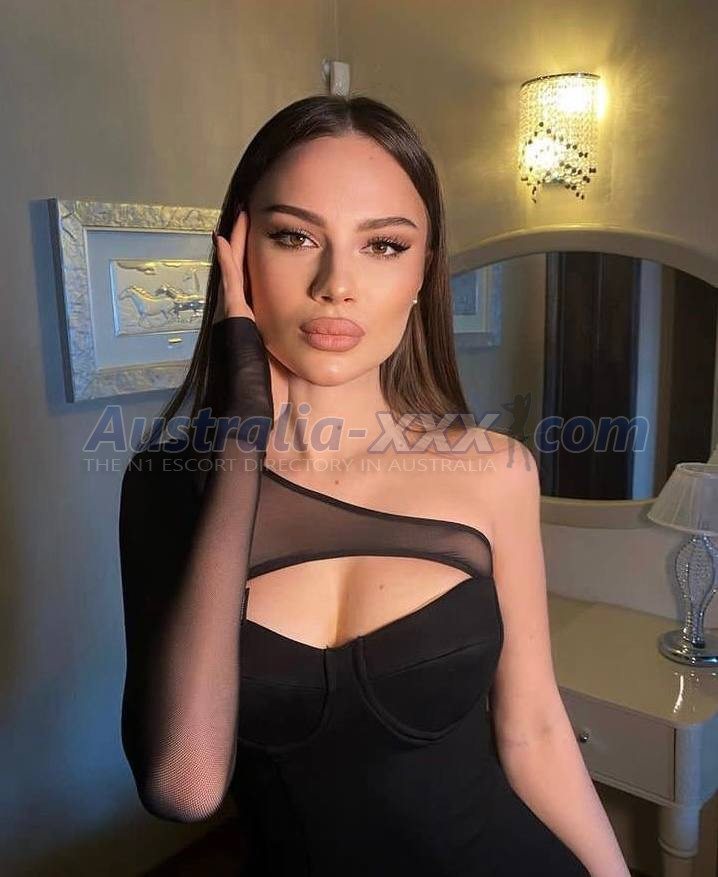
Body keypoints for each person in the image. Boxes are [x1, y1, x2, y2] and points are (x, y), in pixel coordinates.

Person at [118, 95, 630, 875]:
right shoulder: (166, 488)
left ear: (423, 273)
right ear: (238, 254)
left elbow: (534, 729)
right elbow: (183, 786)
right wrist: (242, 439)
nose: (337, 283)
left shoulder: (495, 472)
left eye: (384, 245)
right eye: (295, 237)